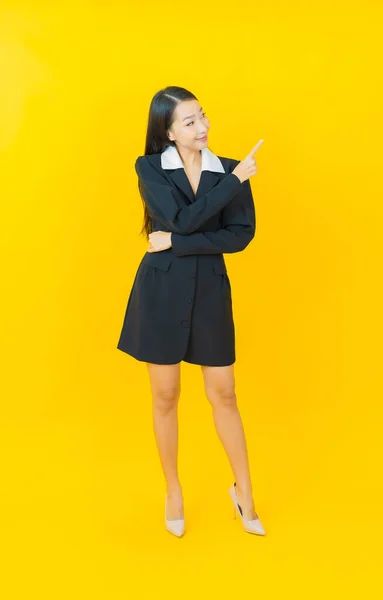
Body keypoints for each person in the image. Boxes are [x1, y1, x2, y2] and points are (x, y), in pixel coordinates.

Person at [117, 86, 265, 537]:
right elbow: (180, 218)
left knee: (225, 394)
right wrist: (233, 183)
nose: (202, 127)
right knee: (165, 396)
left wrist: (178, 243)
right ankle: (174, 489)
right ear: (167, 131)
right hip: (161, 291)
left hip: (209, 291)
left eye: (203, 116)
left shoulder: (227, 167)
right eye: (189, 122)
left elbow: (240, 236)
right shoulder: (150, 168)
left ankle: (245, 494)